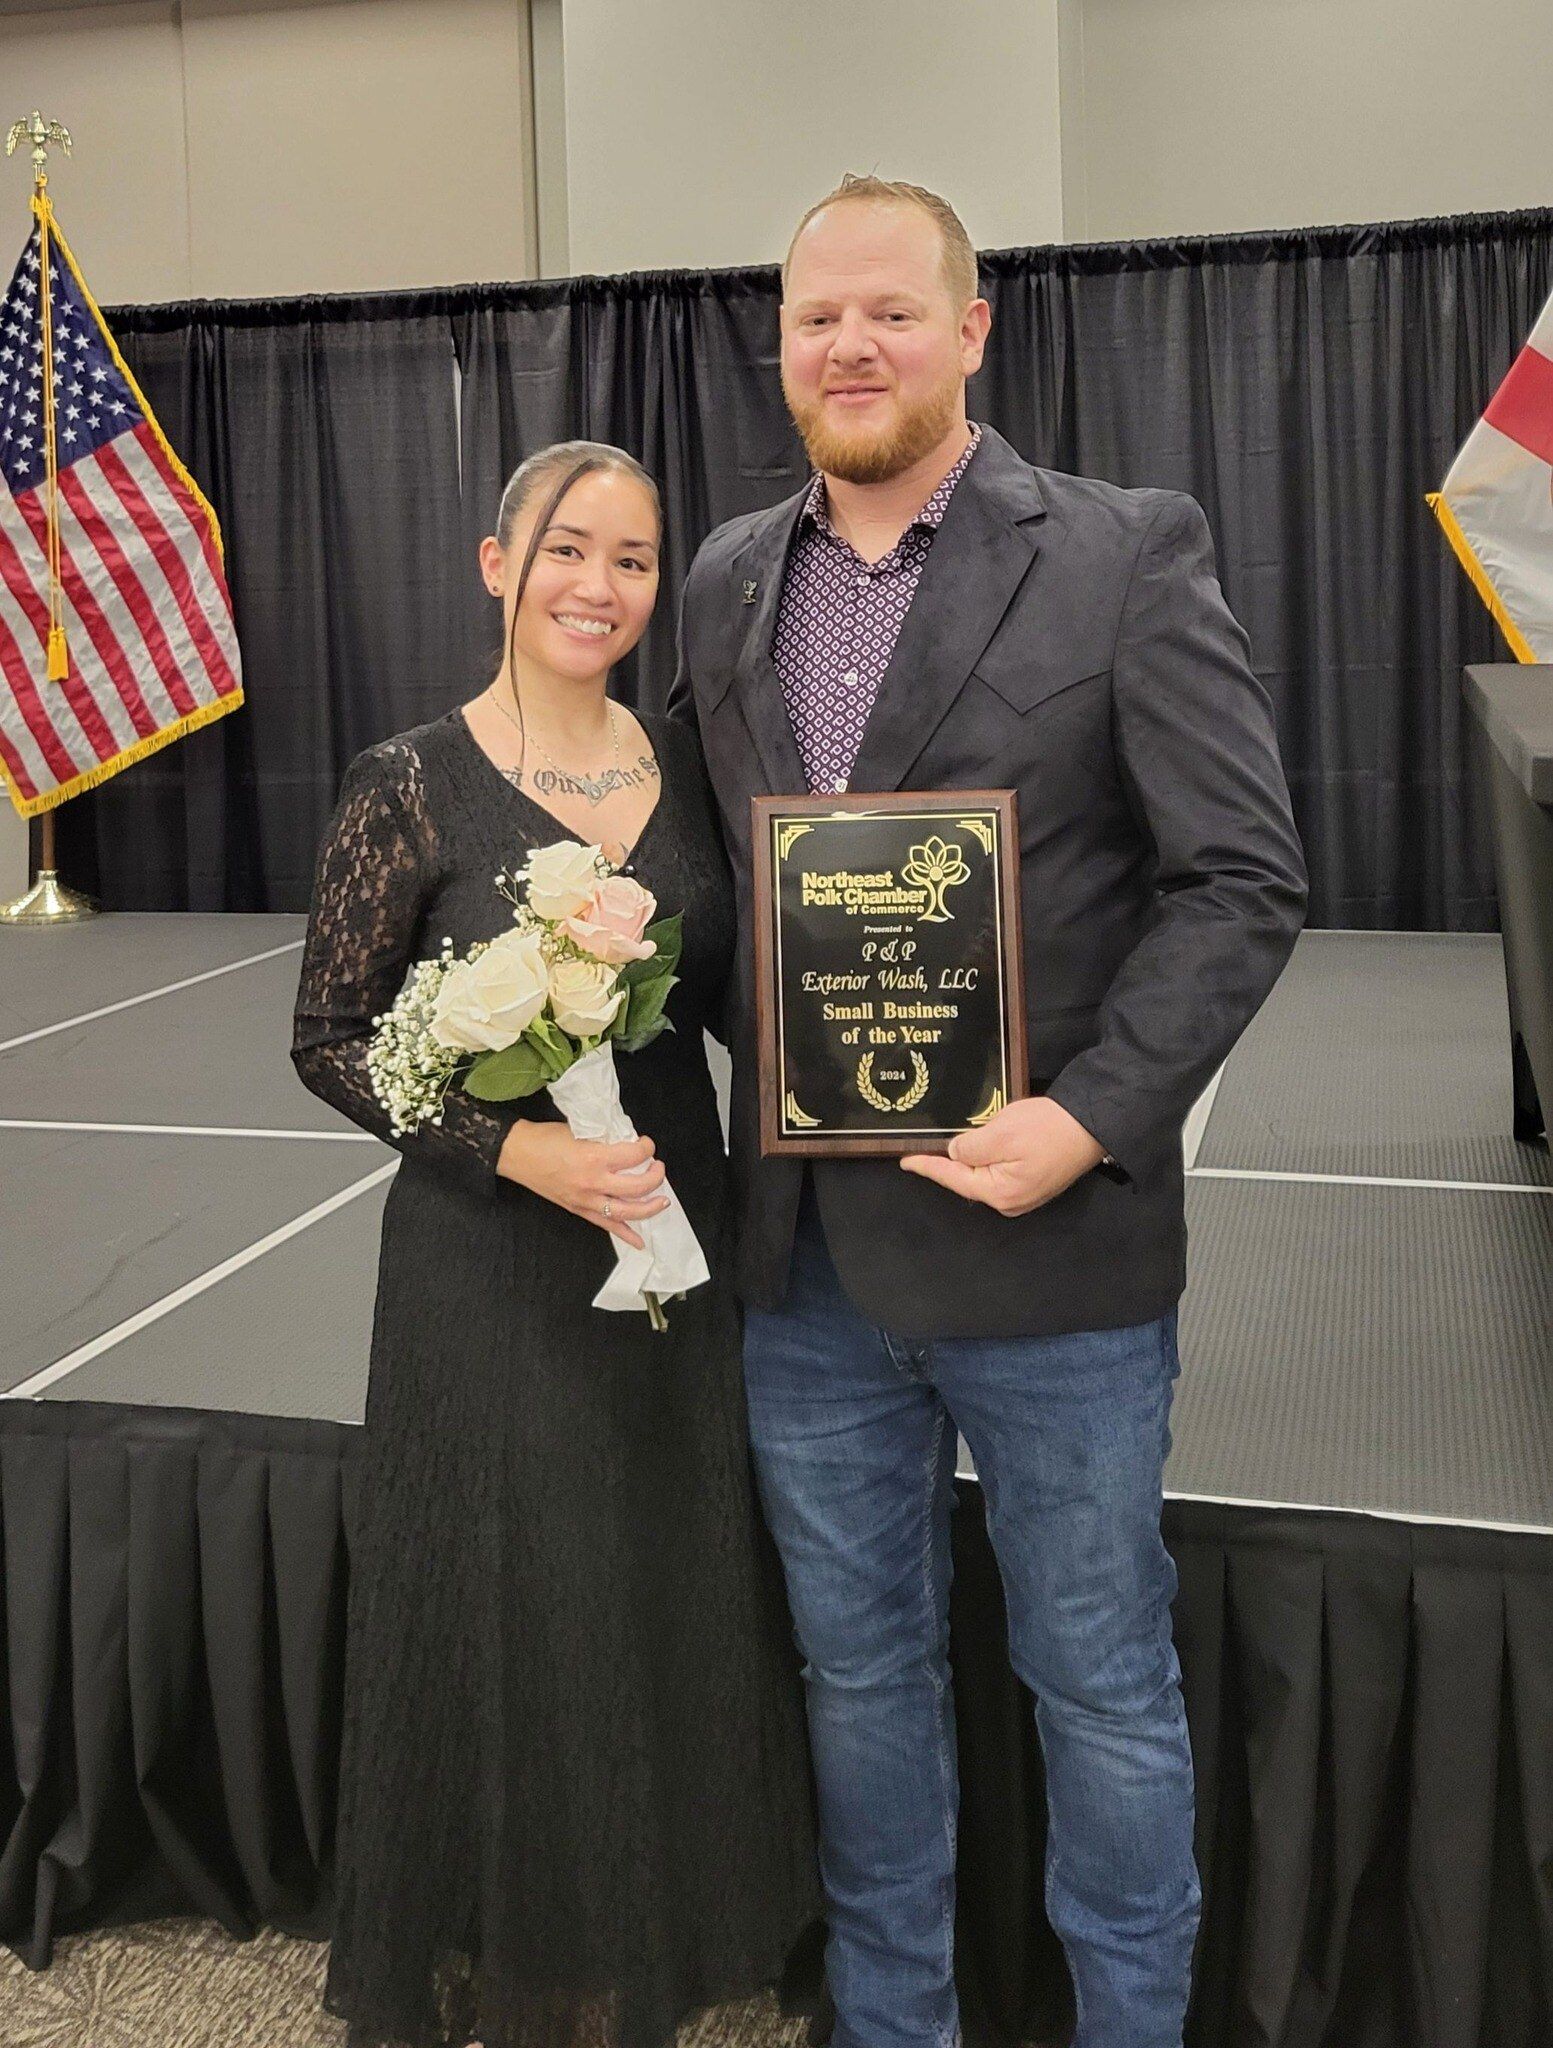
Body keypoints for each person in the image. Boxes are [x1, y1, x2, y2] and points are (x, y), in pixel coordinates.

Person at [668, 177, 1308, 2048]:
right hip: (802, 1273)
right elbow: (723, 888)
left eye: (890, 311)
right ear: (777, 344)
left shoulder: (1123, 550)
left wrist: (1089, 1120)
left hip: (1052, 1258)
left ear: (971, 329)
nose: (849, 345)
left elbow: (1239, 880)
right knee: (858, 1682)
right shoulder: (724, 577)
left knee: (1097, 1686)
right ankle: (894, 2025)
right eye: (815, 317)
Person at [291, 442, 818, 2048]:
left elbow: (743, 1001)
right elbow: (331, 1038)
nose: (599, 586)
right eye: (568, 550)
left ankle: (655, 1931)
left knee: (662, 1574)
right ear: (495, 564)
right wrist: (518, 1150)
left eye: (633, 559)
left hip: (670, 1236)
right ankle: (519, 1956)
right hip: (490, 1265)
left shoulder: (693, 764)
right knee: (520, 1597)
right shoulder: (405, 780)